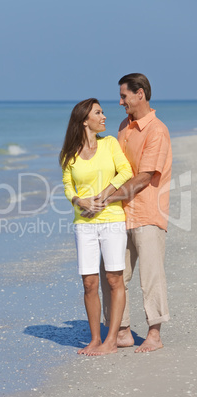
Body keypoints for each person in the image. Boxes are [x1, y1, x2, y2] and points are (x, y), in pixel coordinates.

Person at [97, 73, 172, 353]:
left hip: (149, 213)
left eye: (124, 96)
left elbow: (144, 177)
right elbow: (118, 169)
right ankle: (123, 330)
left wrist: (108, 198)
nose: (120, 102)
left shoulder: (157, 130)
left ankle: (154, 334)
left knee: (151, 276)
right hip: (120, 214)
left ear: (140, 94)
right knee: (113, 274)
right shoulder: (122, 127)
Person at [60, 98, 132, 356]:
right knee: (89, 283)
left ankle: (111, 340)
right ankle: (94, 339)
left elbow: (125, 171)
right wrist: (79, 200)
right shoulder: (69, 155)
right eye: (98, 113)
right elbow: (68, 186)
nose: (104, 117)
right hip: (84, 224)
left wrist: (104, 195)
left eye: (103, 112)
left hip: (112, 219)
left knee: (114, 279)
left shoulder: (110, 143)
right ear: (84, 120)